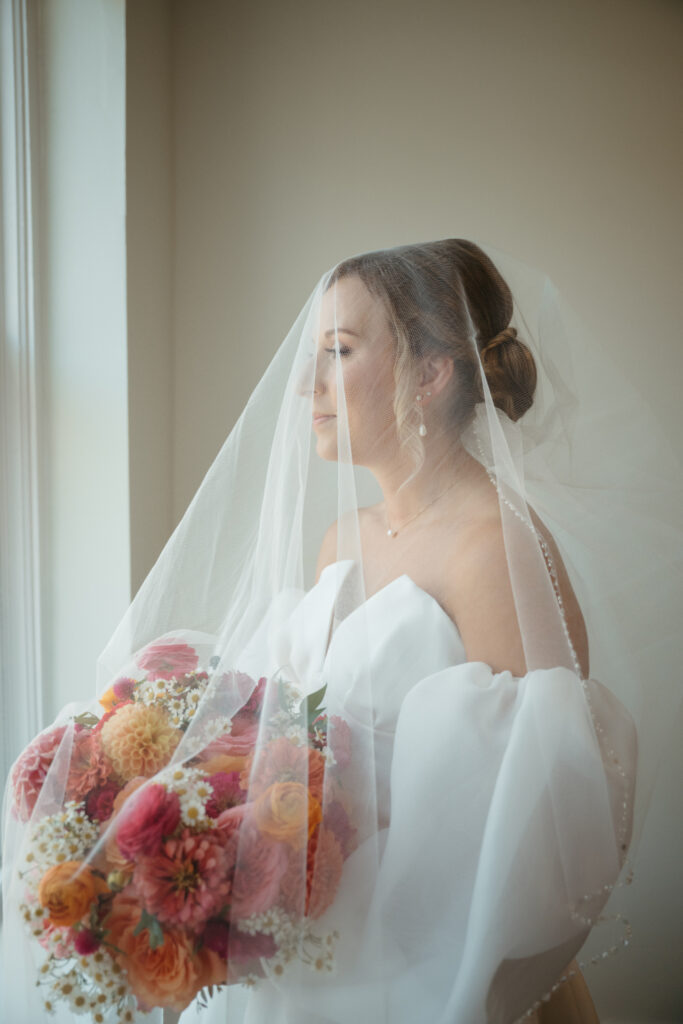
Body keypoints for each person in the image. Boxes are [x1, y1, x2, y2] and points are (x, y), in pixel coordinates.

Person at [2, 240, 679, 1024]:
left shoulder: (495, 548)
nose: (304, 385)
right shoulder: (341, 539)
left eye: (337, 352)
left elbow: (533, 817)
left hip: (422, 964)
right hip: (313, 948)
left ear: (430, 374)